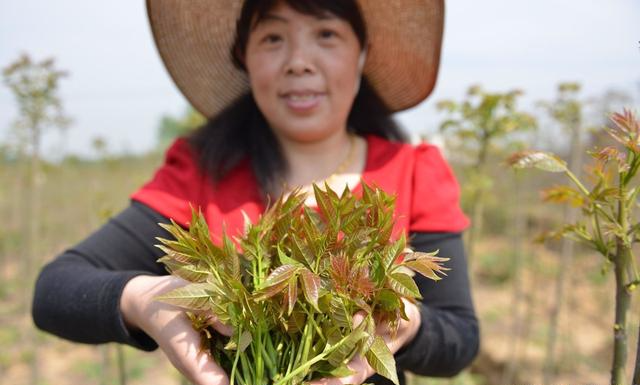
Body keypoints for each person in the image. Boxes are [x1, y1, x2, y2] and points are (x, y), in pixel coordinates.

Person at [32, 1, 479, 384]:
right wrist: (146, 300)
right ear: (244, 57)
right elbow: (56, 289)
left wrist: (407, 323)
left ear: (362, 54)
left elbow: (460, 334)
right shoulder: (201, 171)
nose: (298, 61)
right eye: (272, 38)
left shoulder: (414, 171)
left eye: (326, 34)